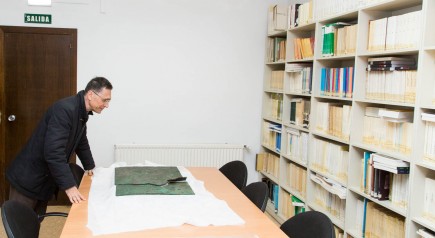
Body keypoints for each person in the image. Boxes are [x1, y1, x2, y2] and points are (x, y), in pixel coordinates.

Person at [6, 76, 113, 217]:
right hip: (28, 177)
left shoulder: (80, 112)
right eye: (105, 100)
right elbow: (53, 152)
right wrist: (69, 186)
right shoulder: (65, 110)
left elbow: (81, 142)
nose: (106, 105)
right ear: (91, 94)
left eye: (108, 101)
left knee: (35, 221)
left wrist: (90, 168)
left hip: (44, 177)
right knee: (21, 226)